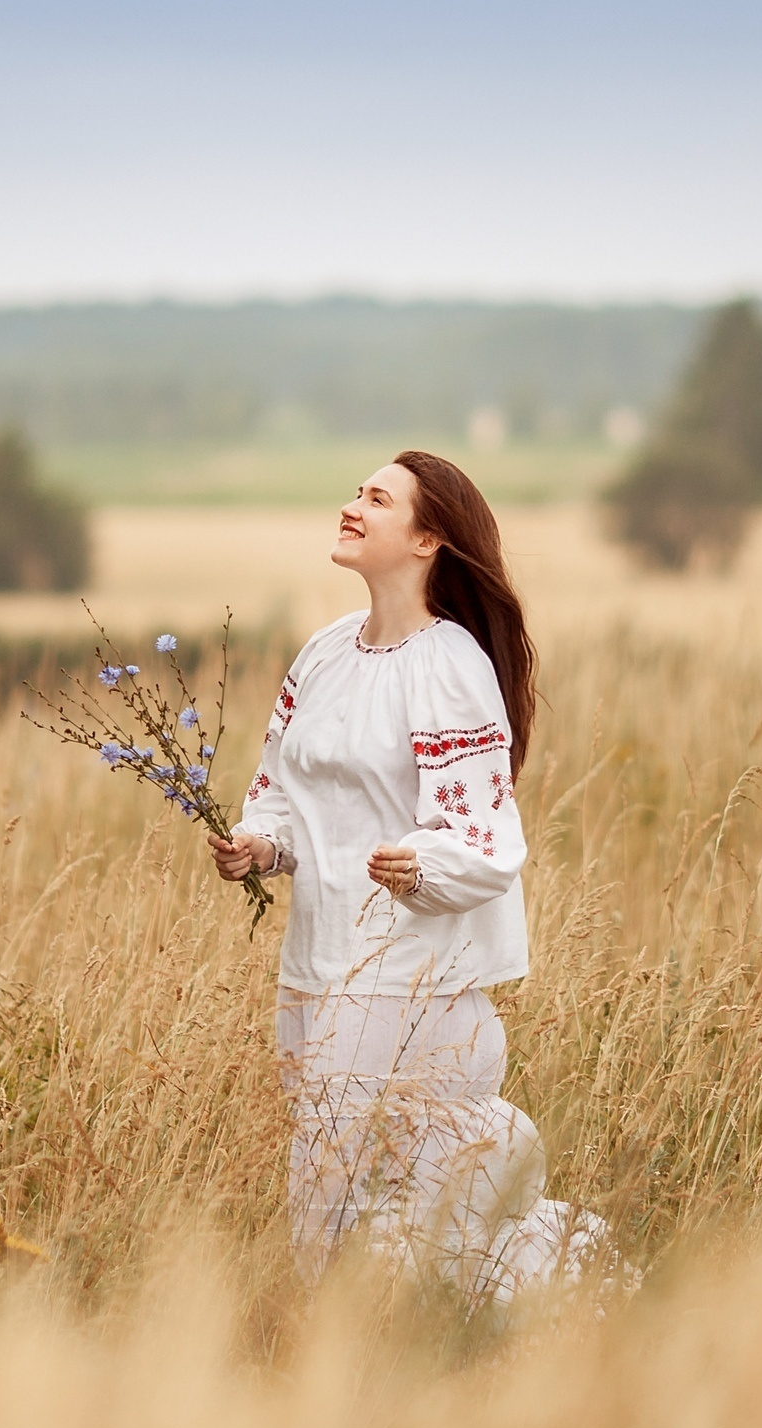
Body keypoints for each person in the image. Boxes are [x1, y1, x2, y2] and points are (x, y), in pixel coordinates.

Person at [208, 450, 615, 1300]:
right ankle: (429, 1341)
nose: (353, 506)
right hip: (315, 966)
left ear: (428, 537)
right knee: (356, 1191)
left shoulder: (451, 664)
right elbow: (283, 790)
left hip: (406, 981)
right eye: (356, 492)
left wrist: (420, 861)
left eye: (378, 499)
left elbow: (483, 836)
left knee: (335, 1192)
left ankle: (353, 1347)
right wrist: (260, 847)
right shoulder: (323, 655)